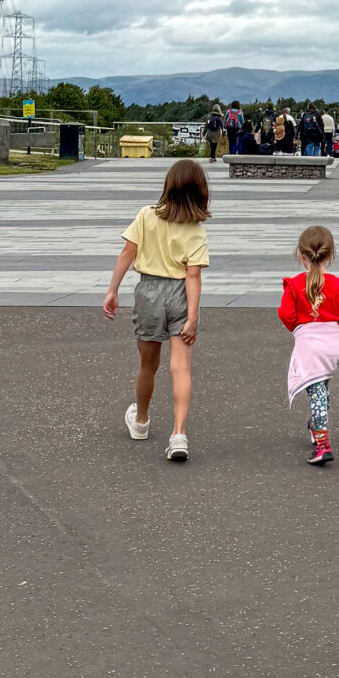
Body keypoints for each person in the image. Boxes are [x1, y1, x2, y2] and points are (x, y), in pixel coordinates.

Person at [103, 156, 208, 462]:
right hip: (179, 294)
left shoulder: (146, 216)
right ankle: (178, 434)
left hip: (148, 291)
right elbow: (193, 275)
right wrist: (192, 316)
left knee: (148, 364)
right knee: (181, 368)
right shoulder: (196, 230)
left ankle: (141, 420)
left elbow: (128, 252)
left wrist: (112, 290)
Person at [279, 223, 339, 467]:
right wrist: (335, 329)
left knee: (317, 392)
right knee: (321, 388)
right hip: (332, 345)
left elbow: (286, 314)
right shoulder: (337, 285)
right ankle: (315, 424)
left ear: (302, 256)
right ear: (330, 256)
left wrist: (298, 327)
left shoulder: (295, 285)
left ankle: (323, 444)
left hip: (309, 346)